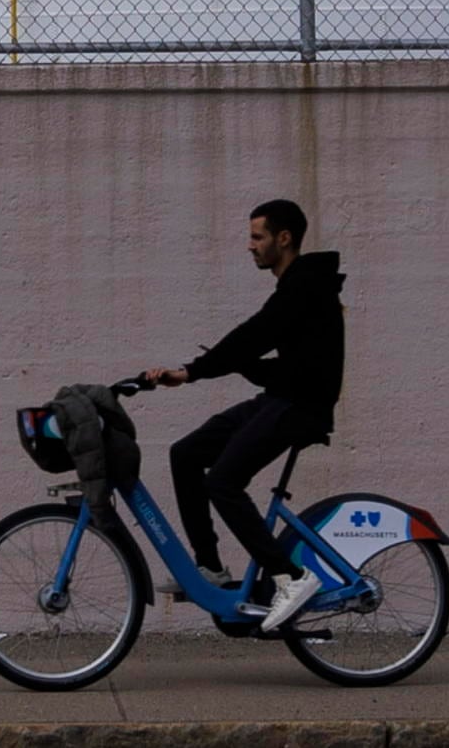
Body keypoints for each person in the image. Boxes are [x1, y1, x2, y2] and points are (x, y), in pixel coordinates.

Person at [131, 197, 341, 628]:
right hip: (279, 398)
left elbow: (255, 335)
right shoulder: (296, 288)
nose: (250, 246)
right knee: (185, 453)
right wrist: (213, 369)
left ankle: (290, 577)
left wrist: (190, 372)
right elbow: (272, 348)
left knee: (223, 482)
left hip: (301, 407)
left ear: (284, 239)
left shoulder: (305, 286)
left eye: (256, 236)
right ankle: (209, 567)